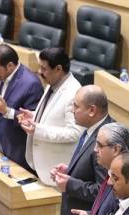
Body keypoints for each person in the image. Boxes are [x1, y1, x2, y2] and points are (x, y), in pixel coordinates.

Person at [51, 85, 112, 215]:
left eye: (76, 106)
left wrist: (70, 184)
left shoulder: (105, 141)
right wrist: (70, 170)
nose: (72, 110)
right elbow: (90, 169)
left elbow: (104, 192)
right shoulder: (91, 130)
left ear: (92, 110)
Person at [18, 47, 84, 185]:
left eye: (44, 68)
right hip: (42, 165)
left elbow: (75, 133)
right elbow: (54, 116)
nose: (39, 72)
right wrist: (34, 116)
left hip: (56, 170)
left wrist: (38, 130)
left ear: (58, 69)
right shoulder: (53, 82)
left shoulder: (74, 92)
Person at [0, 44, 44, 170]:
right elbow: (2, 105)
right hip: (4, 144)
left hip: (20, 150)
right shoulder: (5, 75)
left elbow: (33, 120)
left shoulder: (31, 84)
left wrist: (7, 111)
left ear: (10, 65)